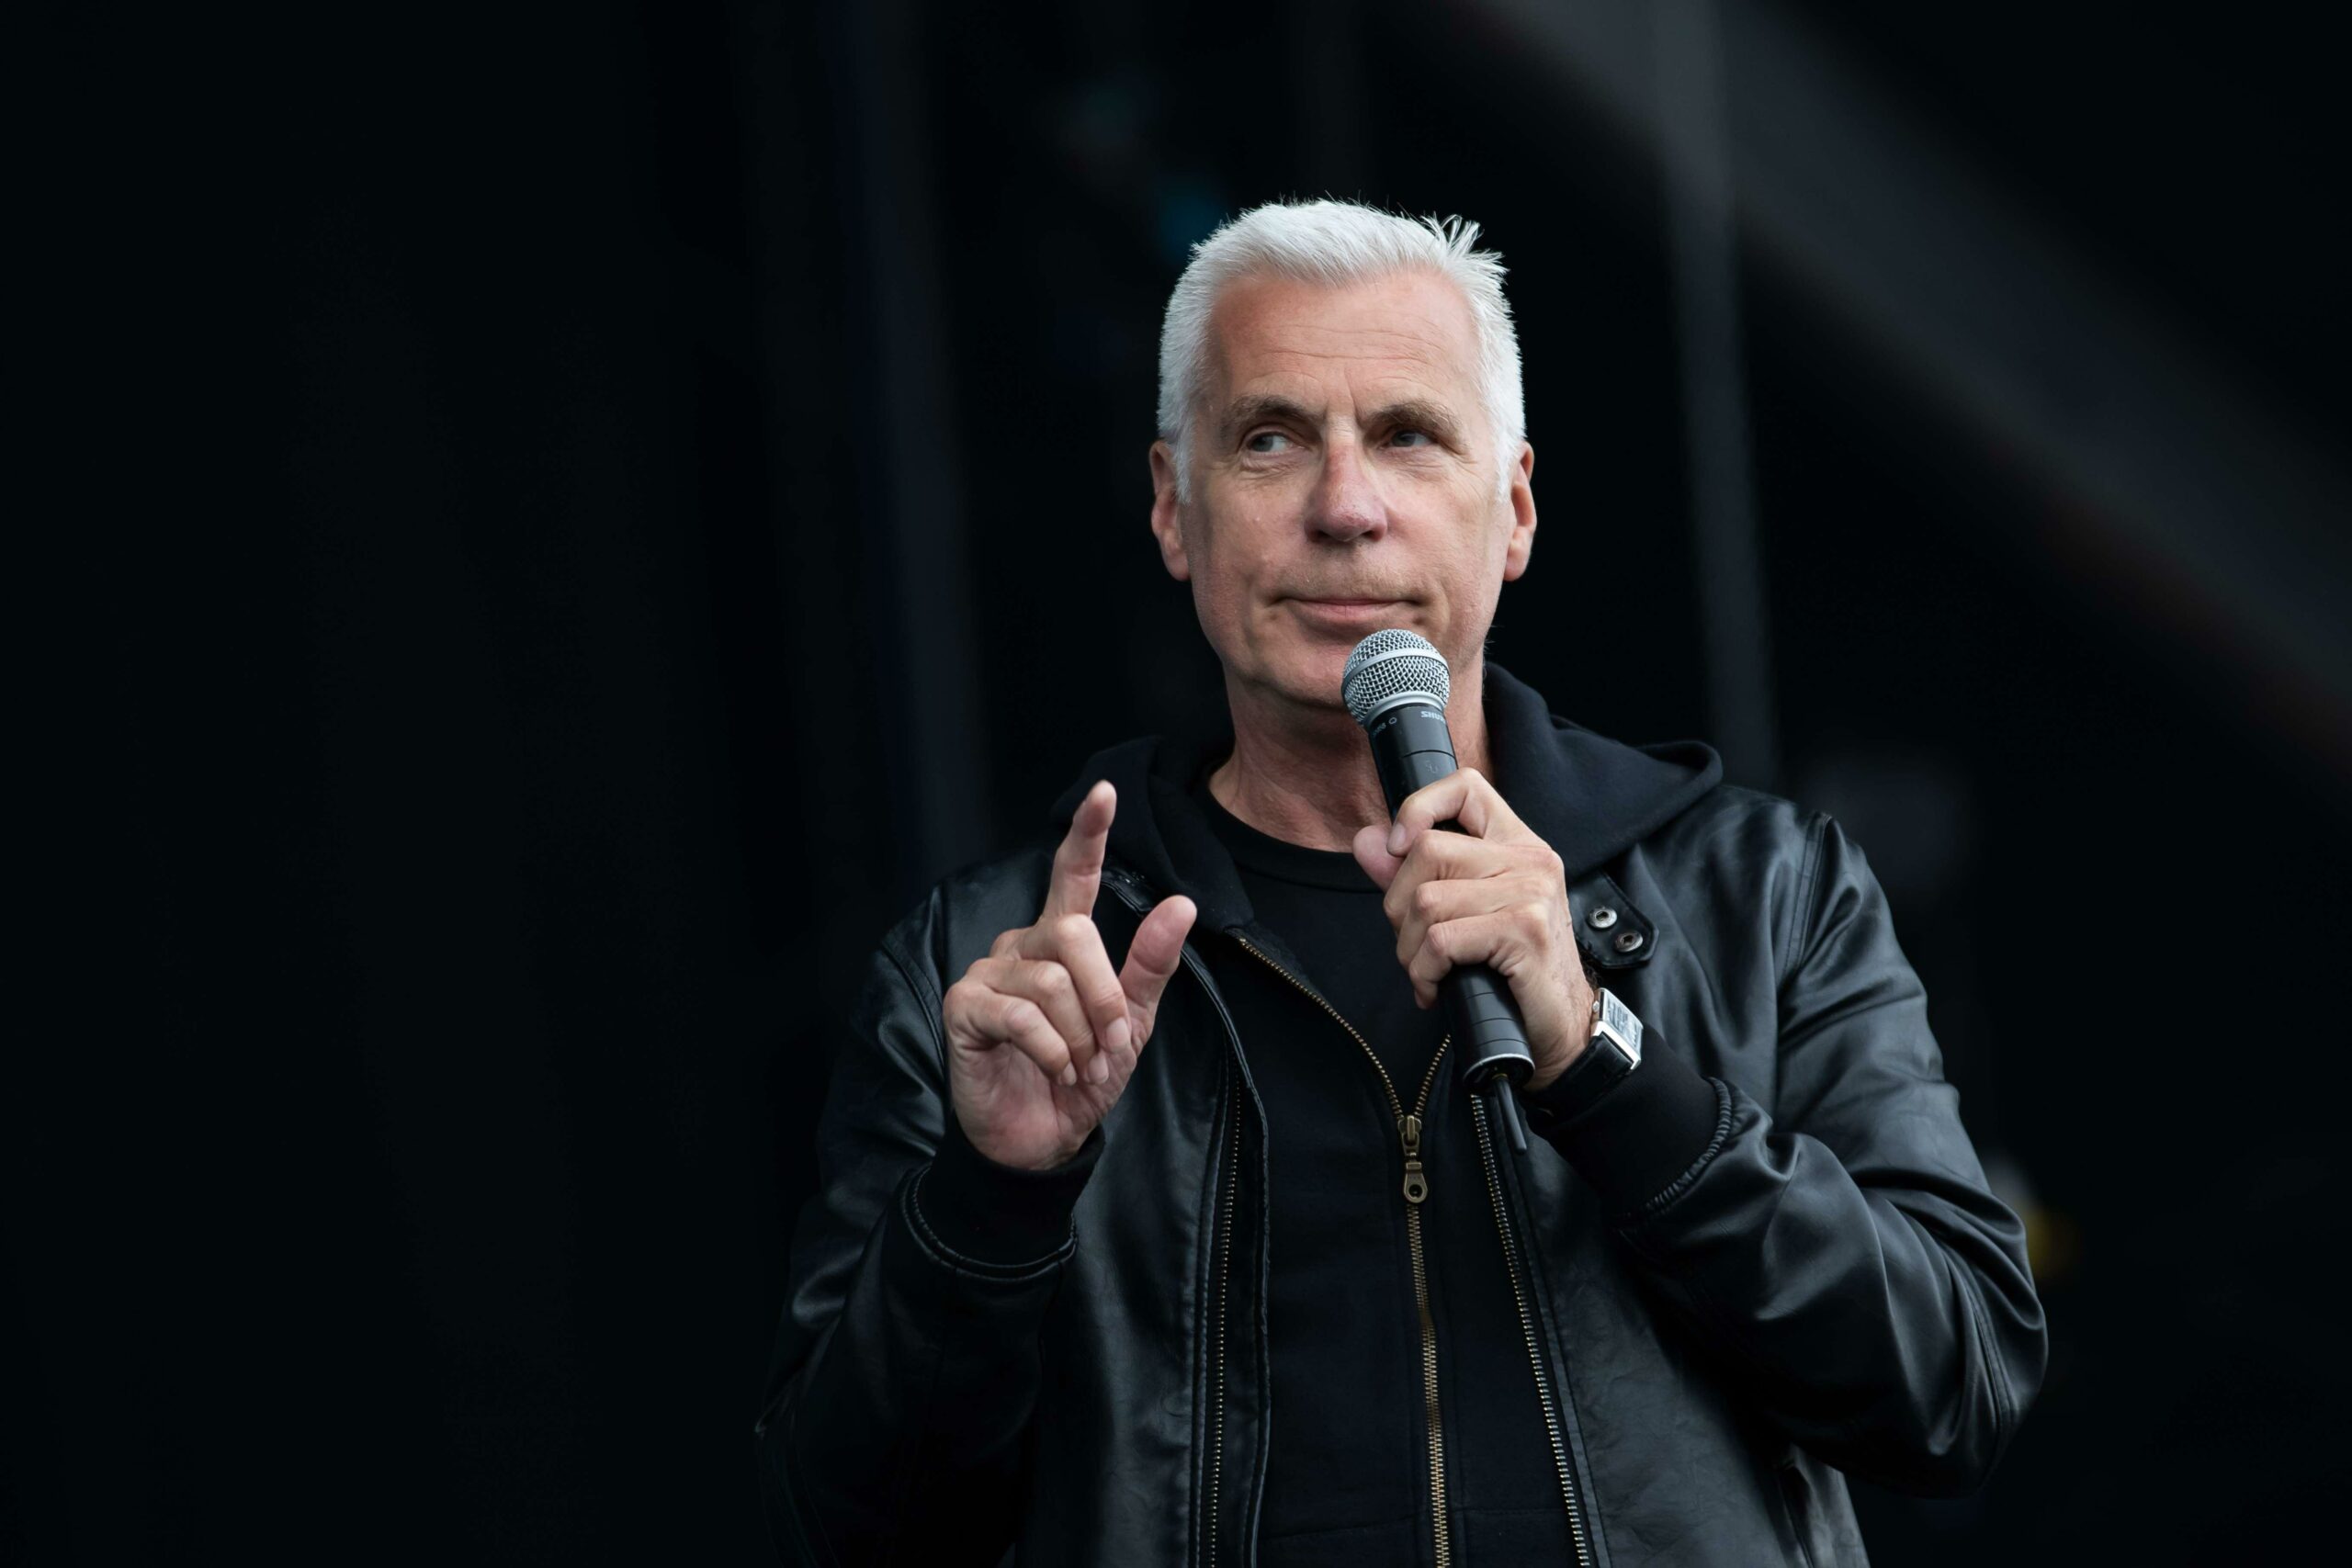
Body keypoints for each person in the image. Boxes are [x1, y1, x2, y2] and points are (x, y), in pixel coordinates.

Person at [754, 199, 2045, 1567]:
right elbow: (838, 1527)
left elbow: (1955, 1388)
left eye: (1410, 437)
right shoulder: (994, 961)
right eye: (1270, 439)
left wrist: (1606, 1062)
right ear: (1171, 510)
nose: (1345, 508)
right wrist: (990, 1205)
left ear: (1516, 510)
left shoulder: (1765, 894)